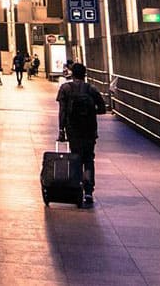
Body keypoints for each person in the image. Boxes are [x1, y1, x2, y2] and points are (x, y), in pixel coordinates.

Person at [57, 62, 106, 209]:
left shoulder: (65, 88)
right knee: (89, 158)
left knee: (76, 157)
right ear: (85, 74)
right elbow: (102, 109)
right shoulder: (91, 89)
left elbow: (62, 111)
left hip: (73, 130)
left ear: (72, 73)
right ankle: (89, 191)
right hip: (90, 130)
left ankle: (76, 187)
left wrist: (61, 130)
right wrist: (90, 112)